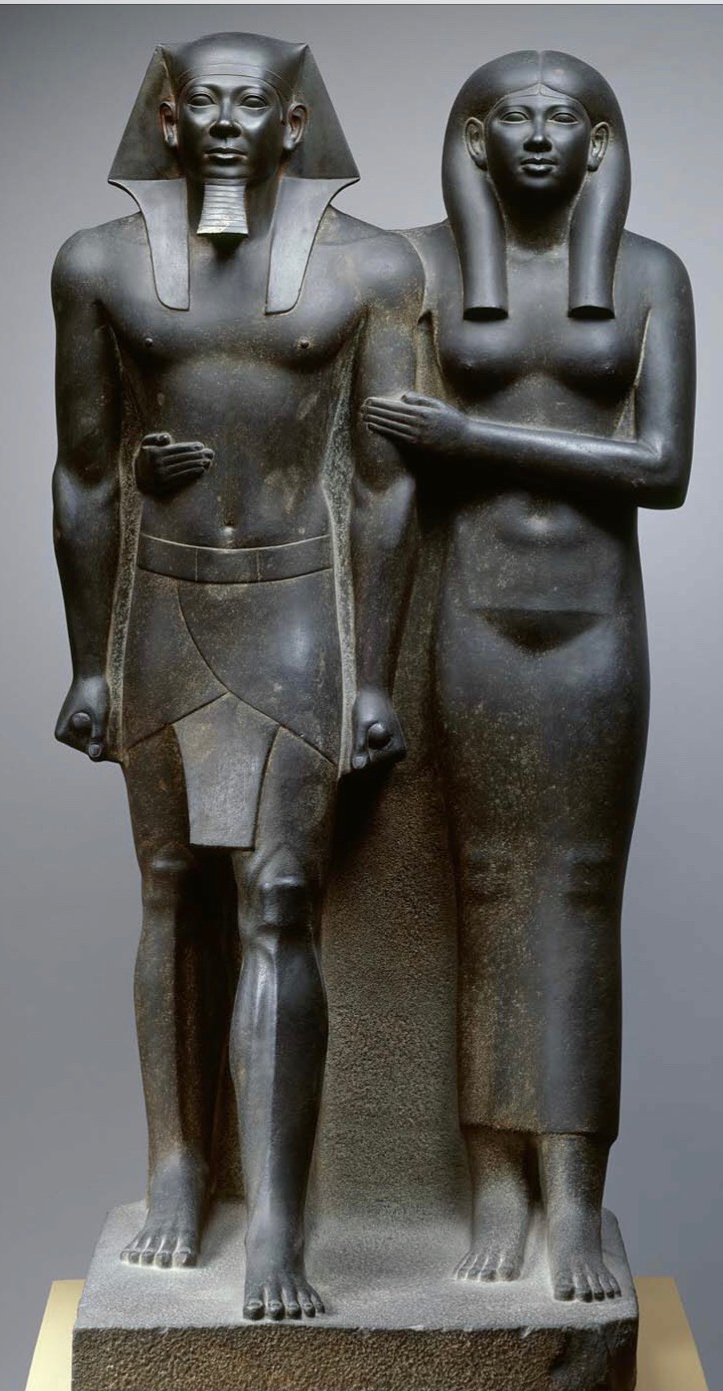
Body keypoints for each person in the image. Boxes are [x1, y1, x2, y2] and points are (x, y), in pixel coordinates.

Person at [53, 31, 421, 1320]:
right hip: (161, 608)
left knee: (278, 897)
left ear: (292, 121)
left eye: (249, 101)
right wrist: (85, 660)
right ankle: (175, 1164)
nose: (223, 120)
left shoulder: (371, 268)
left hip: (299, 610)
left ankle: (276, 1220)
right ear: (166, 117)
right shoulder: (100, 265)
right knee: (168, 888)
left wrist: (374, 676)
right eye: (200, 100)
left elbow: (384, 486)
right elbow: (83, 472)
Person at [362, 50, 695, 1302]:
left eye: (565, 120)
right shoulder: (423, 268)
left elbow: (663, 468)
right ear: (476, 140)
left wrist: (472, 435)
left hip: (595, 619)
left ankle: (575, 1188)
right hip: (473, 610)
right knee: (488, 889)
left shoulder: (650, 274)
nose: (541, 138)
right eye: (516, 119)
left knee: (581, 895)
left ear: (599, 145)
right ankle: (494, 1180)